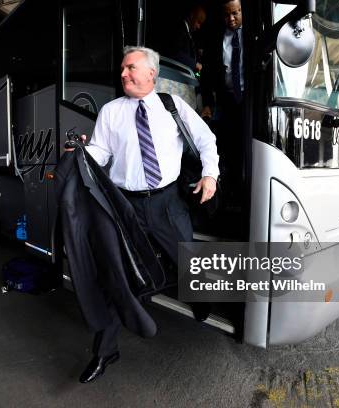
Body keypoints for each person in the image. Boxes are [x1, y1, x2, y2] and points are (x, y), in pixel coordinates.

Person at [75, 46, 219, 383]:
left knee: (187, 260)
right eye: (123, 69)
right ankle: (105, 351)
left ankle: (200, 297)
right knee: (119, 277)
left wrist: (210, 174)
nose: (123, 74)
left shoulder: (173, 107)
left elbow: (206, 139)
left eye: (130, 68)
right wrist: (82, 152)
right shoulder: (111, 112)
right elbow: (100, 151)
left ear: (151, 74)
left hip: (167, 203)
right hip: (127, 206)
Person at [200, 0, 244, 161]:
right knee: (224, 144)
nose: (231, 18)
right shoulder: (216, 38)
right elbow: (206, 73)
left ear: (242, 11)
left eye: (235, 13)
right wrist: (207, 103)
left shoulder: (252, 36)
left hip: (247, 99)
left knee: (244, 144)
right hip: (225, 100)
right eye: (226, 15)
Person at [160, 4, 207, 73]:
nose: (198, 27)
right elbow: (174, 52)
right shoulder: (179, 29)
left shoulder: (187, 32)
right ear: (192, 16)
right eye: (198, 22)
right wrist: (195, 64)